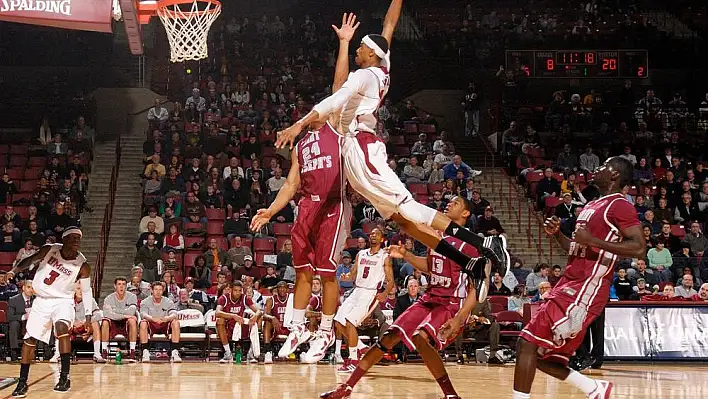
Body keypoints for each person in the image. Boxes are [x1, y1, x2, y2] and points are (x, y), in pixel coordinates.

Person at [274, 6, 508, 293]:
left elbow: (331, 102)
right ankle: (468, 263)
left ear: (370, 53)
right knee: (402, 221)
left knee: (408, 206)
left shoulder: (363, 76)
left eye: (360, 47)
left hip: (361, 148)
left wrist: (297, 126)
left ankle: (484, 242)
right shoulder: (382, 67)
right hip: (356, 153)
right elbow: (389, 26)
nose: (357, 51)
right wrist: (352, 37)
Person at [321, 196, 488, 399]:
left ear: (465, 213)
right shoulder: (437, 237)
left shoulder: (469, 244)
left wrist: (460, 317)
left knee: (420, 337)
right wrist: (406, 255)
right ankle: (347, 387)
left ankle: (450, 394)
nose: (449, 204)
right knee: (388, 338)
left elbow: (475, 287)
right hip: (429, 297)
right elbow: (429, 267)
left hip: (451, 303)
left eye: (456, 203)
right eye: (449, 202)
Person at [512, 157, 645, 399]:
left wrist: (593, 241)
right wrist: (558, 235)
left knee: (526, 343)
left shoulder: (620, 205)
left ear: (615, 175)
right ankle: (594, 388)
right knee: (539, 355)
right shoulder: (591, 205)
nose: (597, 169)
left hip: (587, 287)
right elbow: (576, 247)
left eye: (603, 166)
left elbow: (638, 247)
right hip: (569, 281)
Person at [8, 227, 95, 396]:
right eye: (73, 238)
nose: (77, 241)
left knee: (62, 329)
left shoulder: (83, 265)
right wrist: (13, 271)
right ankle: (22, 382)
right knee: (30, 339)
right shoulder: (50, 250)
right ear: (64, 239)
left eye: (79, 238)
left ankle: (64, 377)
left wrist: (88, 318)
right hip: (41, 300)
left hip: (63, 301)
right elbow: (30, 260)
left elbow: (86, 292)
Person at [334, 228, 394, 371]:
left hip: (370, 293)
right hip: (357, 291)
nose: (373, 236)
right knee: (338, 322)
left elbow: (390, 279)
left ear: (381, 239)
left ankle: (353, 360)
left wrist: (385, 293)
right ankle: (360, 347)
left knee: (350, 322)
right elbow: (353, 274)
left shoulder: (384, 256)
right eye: (371, 234)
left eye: (376, 234)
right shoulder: (361, 254)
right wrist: (345, 277)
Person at [215, 281, 262, 363]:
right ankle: (228, 354)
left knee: (258, 318)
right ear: (231, 290)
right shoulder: (223, 298)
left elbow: (259, 311)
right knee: (220, 320)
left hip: (240, 325)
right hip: (228, 326)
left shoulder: (245, 298)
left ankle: (251, 354)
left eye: (240, 290)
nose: (238, 293)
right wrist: (233, 316)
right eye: (235, 290)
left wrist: (255, 316)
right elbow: (217, 313)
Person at [101, 276, 139, 363]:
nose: (121, 286)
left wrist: (115, 311)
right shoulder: (108, 298)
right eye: (119, 284)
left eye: (123, 284)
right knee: (105, 322)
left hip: (126, 323)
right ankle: (104, 351)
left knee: (132, 320)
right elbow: (107, 314)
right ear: (115, 286)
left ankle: (132, 352)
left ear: (126, 286)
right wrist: (124, 315)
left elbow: (132, 312)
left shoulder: (132, 297)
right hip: (113, 322)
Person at [263, 281, 290, 364]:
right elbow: (264, 315)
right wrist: (272, 317)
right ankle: (268, 352)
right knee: (267, 322)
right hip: (276, 327)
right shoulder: (271, 300)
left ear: (287, 289)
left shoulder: (291, 299)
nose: (282, 289)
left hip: (289, 327)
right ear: (277, 289)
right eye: (280, 287)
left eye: (284, 287)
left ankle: (303, 351)